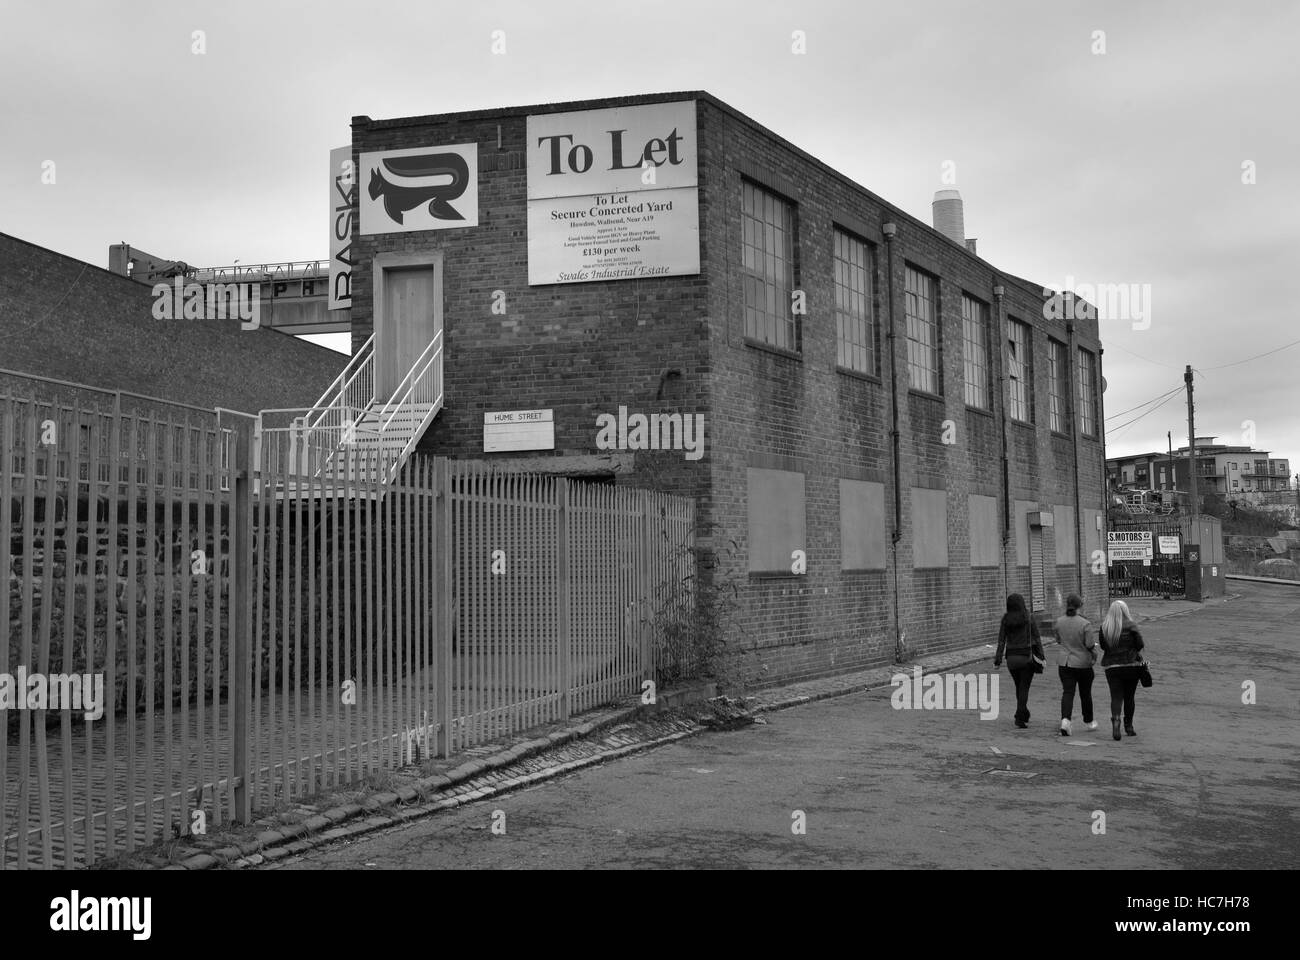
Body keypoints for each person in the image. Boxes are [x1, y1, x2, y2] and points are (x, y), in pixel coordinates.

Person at [993, 593, 1045, 728]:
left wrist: (998, 660)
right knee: (1024, 687)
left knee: (1019, 686)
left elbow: (1001, 641)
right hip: (1026, 657)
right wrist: (1042, 656)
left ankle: (1023, 712)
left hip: (1011, 659)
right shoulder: (1028, 617)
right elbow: (1037, 638)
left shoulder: (1005, 619)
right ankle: (1020, 716)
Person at [1099, 599, 1145, 741]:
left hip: (1112, 667)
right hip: (1131, 665)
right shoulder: (1131, 625)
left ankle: (1116, 722)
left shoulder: (1105, 627)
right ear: (1125, 611)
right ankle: (1129, 726)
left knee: (1116, 696)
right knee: (1129, 697)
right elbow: (1139, 645)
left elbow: (1103, 647)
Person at [1054, 594, 1098, 736]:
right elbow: (1090, 644)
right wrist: (1094, 654)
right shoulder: (1085, 623)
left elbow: (1058, 640)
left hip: (1065, 662)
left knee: (1068, 692)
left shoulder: (1059, 621)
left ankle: (1065, 720)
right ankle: (1089, 720)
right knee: (1085, 693)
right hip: (1082, 662)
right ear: (1080, 605)